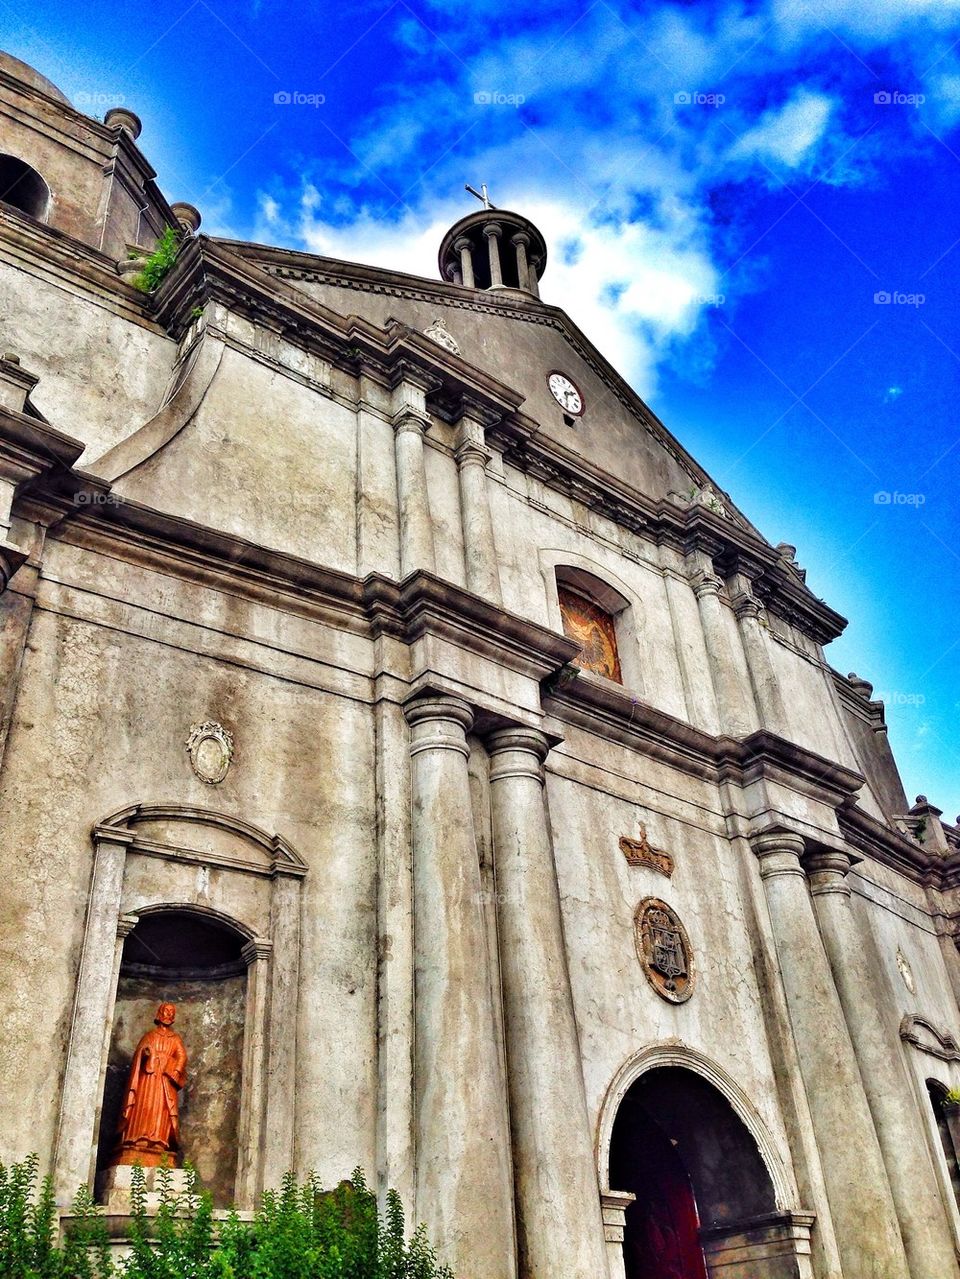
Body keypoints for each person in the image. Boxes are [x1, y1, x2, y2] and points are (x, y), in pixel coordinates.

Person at [112, 1001, 187, 1167]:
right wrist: (147, 1053)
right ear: (160, 1014)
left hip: (165, 1082)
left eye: (171, 1012)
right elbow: (140, 1054)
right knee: (145, 1106)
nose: (168, 1014)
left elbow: (182, 1057)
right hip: (148, 1079)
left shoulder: (175, 1040)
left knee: (161, 1110)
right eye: (166, 1011)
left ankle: (158, 1141)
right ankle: (139, 1138)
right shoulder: (150, 1036)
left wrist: (174, 1069)